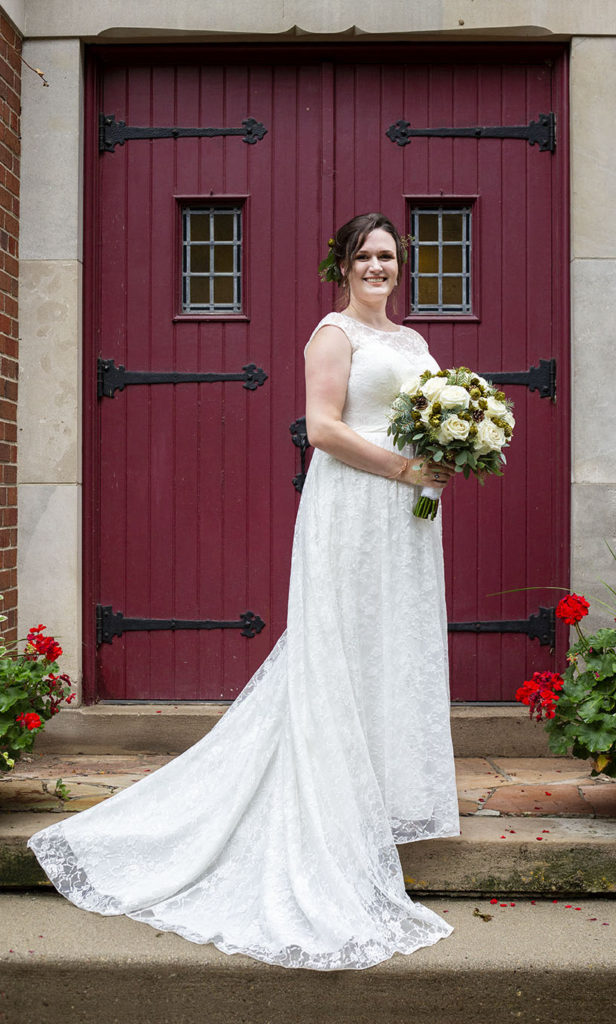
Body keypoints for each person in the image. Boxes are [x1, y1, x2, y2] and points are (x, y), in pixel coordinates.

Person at [27, 212, 460, 971]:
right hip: (354, 506)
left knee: (389, 646)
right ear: (343, 264)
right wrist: (401, 469)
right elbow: (321, 428)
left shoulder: (414, 342)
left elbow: (417, 423)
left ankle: (374, 796)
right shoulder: (332, 334)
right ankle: (324, 803)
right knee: (338, 646)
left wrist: (446, 454)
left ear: (403, 265)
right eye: (363, 255)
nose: (376, 267)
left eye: (388, 256)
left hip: (404, 517)